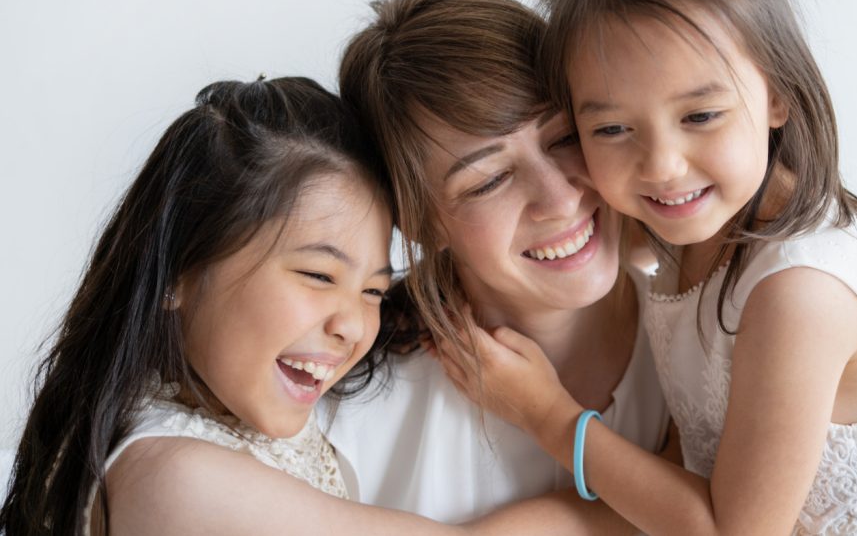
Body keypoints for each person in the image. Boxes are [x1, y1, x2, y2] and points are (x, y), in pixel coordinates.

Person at [439, 0, 857, 535]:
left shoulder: (800, 295)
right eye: (612, 128)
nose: (663, 167)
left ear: (778, 92)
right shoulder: (692, 219)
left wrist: (547, 416)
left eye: (700, 115)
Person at [0, 77, 633, 536]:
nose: (353, 325)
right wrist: (665, 490)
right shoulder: (171, 476)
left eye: (373, 290)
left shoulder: (197, 408)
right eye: (315, 274)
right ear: (180, 271)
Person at [327, 0, 668, 522]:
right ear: (418, 222)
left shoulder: (711, 341)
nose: (559, 199)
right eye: (489, 181)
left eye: (565, 138)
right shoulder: (342, 402)